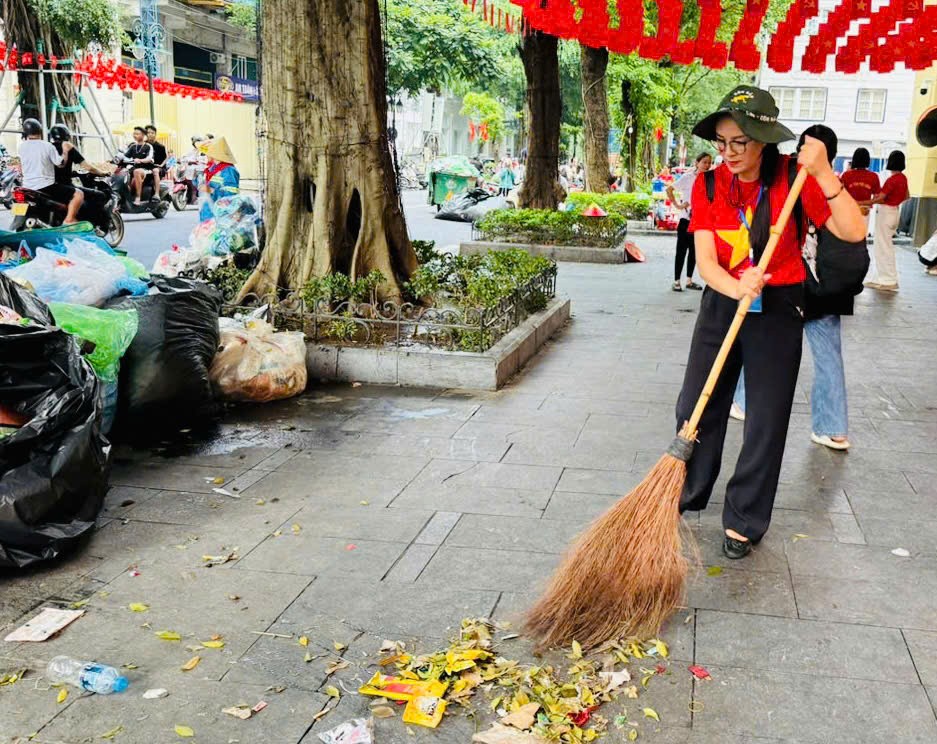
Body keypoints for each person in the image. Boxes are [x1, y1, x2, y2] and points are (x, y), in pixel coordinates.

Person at [679, 86, 865, 559]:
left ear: (763, 139)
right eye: (722, 143)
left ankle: (744, 519)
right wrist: (736, 286)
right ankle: (687, 491)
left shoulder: (792, 179)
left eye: (739, 142)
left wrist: (823, 172)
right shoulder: (708, 185)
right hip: (724, 300)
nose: (728, 153)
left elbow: (853, 230)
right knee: (694, 406)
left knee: (765, 417)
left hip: (779, 307)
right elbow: (706, 262)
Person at [732, 126, 858, 451]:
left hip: (796, 284)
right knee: (827, 355)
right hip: (830, 289)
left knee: (762, 342)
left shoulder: (795, 182)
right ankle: (833, 428)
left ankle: (743, 402)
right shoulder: (837, 186)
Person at [18, 118, 83, 224]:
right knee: (79, 194)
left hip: (27, 187)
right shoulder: (47, 146)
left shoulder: (21, 147)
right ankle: (69, 219)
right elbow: (61, 164)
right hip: (46, 186)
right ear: (40, 131)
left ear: (26, 132)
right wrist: (65, 151)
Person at [864, 150, 909, 292]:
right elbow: (906, 196)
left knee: (883, 247)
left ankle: (888, 280)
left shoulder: (892, 180)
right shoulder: (903, 178)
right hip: (894, 211)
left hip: (885, 213)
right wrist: (893, 201)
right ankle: (879, 278)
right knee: (883, 246)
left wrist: (863, 201)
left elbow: (880, 198)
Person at [667, 152, 712, 292]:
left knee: (694, 251)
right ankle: (676, 281)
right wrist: (678, 205)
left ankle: (689, 280)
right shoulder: (687, 177)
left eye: (709, 163)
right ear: (697, 163)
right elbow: (669, 189)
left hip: (700, 221)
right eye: (704, 162)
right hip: (686, 219)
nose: (707, 165)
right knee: (681, 250)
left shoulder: (709, 180)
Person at [199, 136, 240, 221]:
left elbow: (230, 196)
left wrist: (211, 190)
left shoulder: (228, 170)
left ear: (215, 154)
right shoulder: (212, 168)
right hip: (209, 214)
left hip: (220, 217)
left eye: (208, 152)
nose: (206, 155)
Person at [840, 148, 880, 229]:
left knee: (848, 237)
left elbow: (841, 195)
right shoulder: (873, 176)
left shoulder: (846, 175)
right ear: (868, 160)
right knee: (862, 237)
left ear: (854, 159)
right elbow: (877, 197)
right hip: (864, 211)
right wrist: (864, 203)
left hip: (849, 210)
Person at [124, 126, 154, 204]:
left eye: (137, 134)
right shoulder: (133, 146)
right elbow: (125, 156)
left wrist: (140, 160)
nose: (135, 135)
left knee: (137, 172)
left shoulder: (148, 146)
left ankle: (138, 197)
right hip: (134, 169)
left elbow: (149, 158)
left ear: (143, 135)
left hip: (146, 170)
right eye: (134, 134)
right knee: (123, 173)